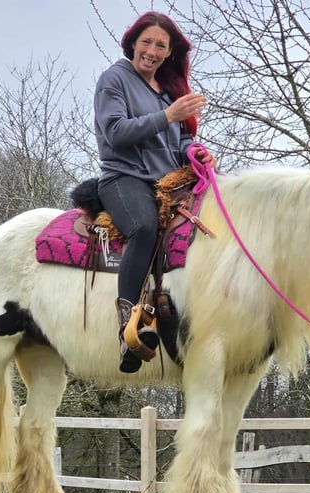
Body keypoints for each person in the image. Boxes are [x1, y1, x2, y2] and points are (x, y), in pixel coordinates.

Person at [94, 11, 216, 373]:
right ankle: (128, 330)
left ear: (169, 52)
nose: (152, 50)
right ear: (133, 42)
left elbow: (180, 141)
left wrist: (195, 151)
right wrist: (168, 116)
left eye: (160, 45)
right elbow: (115, 132)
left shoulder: (168, 92)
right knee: (144, 227)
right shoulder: (114, 79)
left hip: (170, 183)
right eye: (146, 42)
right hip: (124, 178)